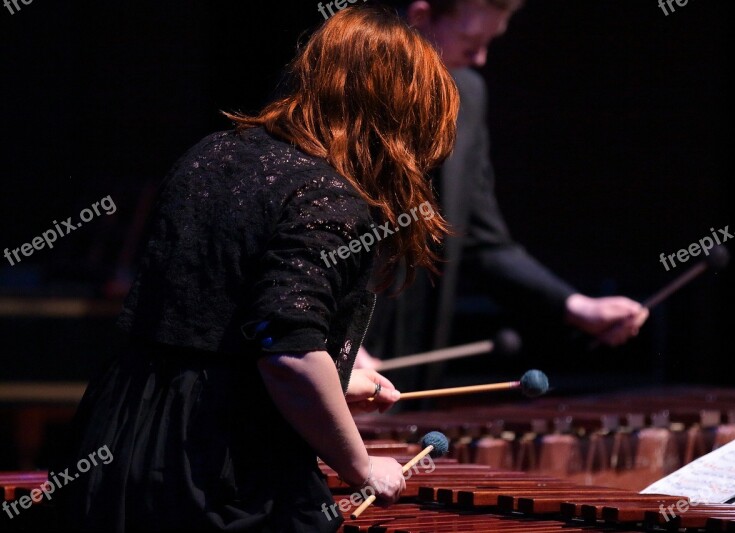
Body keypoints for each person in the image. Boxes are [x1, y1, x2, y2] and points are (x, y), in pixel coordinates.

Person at [58, 6, 459, 532]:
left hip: (120, 437)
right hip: (215, 470)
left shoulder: (210, 153)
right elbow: (287, 352)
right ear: (394, 115)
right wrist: (361, 465)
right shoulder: (329, 194)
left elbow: (220, 323)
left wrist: (333, 381)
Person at [357, 0, 650, 377]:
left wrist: (575, 305)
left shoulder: (468, 97)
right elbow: (298, 239)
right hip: (337, 352)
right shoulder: (339, 95)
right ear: (419, 17)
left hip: (411, 358)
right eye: (471, 39)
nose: (480, 57)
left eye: (490, 41)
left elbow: (481, 239)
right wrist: (329, 343)